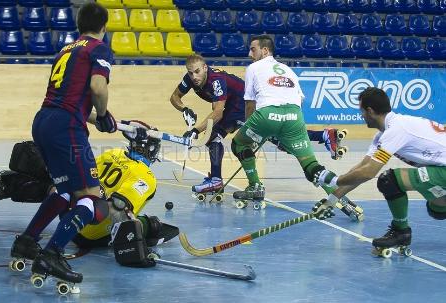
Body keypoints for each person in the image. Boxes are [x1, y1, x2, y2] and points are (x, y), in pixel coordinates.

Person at [11, 3, 118, 285]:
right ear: (103, 27)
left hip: (44, 120)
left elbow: (71, 97)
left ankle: (27, 241)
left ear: (79, 25)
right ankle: (53, 253)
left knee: (64, 189)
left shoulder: (66, 50)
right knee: (91, 197)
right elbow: (97, 87)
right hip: (66, 127)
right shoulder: (99, 48)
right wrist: (105, 114)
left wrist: (98, 119)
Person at [0, 121, 178, 265]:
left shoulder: (113, 153)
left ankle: (10, 185)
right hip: (90, 232)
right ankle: (149, 226)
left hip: (68, 216)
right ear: (153, 151)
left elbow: (83, 177)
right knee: (143, 219)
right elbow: (117, 208)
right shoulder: (147, 177)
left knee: (63, 182)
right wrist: (137, 250)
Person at [170, 54, 345, 199]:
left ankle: (216, 180)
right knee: (273, 137)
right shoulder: (190, 79)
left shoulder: (216, 80)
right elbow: (174, 97)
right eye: (191, 73)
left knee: (272, 138)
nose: (194, 77)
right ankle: (324, 135)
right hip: (232, 106)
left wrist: (194, 130)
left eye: (197, 72)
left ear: (205, 68)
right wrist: (183, 109)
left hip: (241, 105)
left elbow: (218, 113)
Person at [313, 87, 446, 250]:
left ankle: (401, 232)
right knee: (437, 211)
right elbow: (362, 169)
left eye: (361, 111)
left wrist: (332, 179)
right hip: (441, 170)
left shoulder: (396, 129)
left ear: (370, 111)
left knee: (389, 180)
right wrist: (330, 201)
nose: (361, 116)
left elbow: (369, 173)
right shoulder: (384, 134)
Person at [230, 34, 335, 205]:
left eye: (253, 49)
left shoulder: (254, 68)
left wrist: (251, 131)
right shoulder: (288, 70)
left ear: (265, 50)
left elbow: (250, 103)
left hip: (266, 115)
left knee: (239, 144)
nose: (250, 54)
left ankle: (255, 186)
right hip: (295, 117)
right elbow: (300, 100)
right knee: (310, 164)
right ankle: (338, 193)